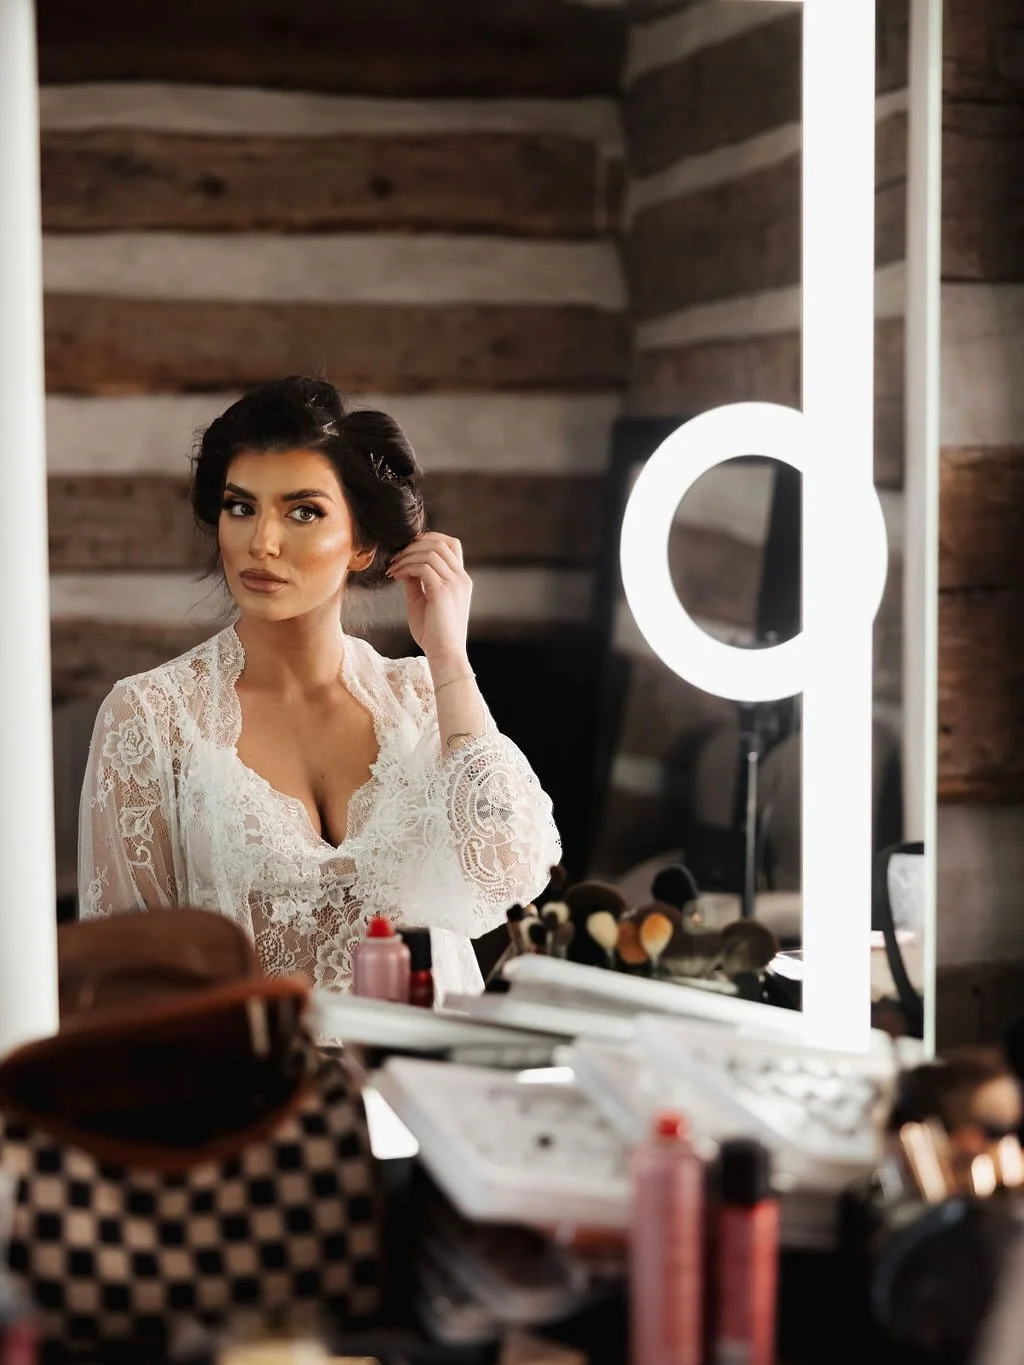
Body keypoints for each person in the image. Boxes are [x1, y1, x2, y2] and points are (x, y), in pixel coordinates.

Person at [78, 376, 561, 1000]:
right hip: (250, 1091)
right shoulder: (151, 718)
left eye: (303, 512)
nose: (262, 542)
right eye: (241, 506)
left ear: (361, 544)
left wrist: (447, 656)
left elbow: (508, 874)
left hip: (421, 1078)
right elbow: (126, 975)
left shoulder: (420, 697)